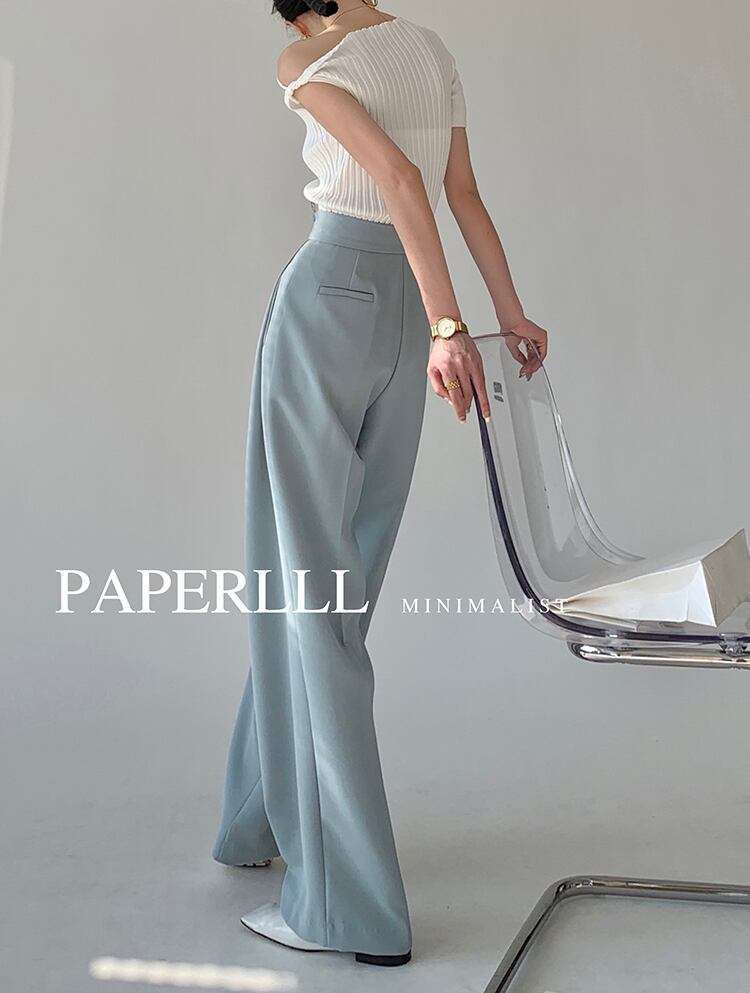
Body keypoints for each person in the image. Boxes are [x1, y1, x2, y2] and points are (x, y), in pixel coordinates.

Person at [211, 0, 549, 968]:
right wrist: (505, 314)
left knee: (303, 587)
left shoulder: (306, 58)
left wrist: (453, 327)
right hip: (403, 309)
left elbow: (397, 178)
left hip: (333, 303)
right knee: (337, 588)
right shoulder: (428, 49)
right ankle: (256, 817)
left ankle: (347, 908)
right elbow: (459, 192)